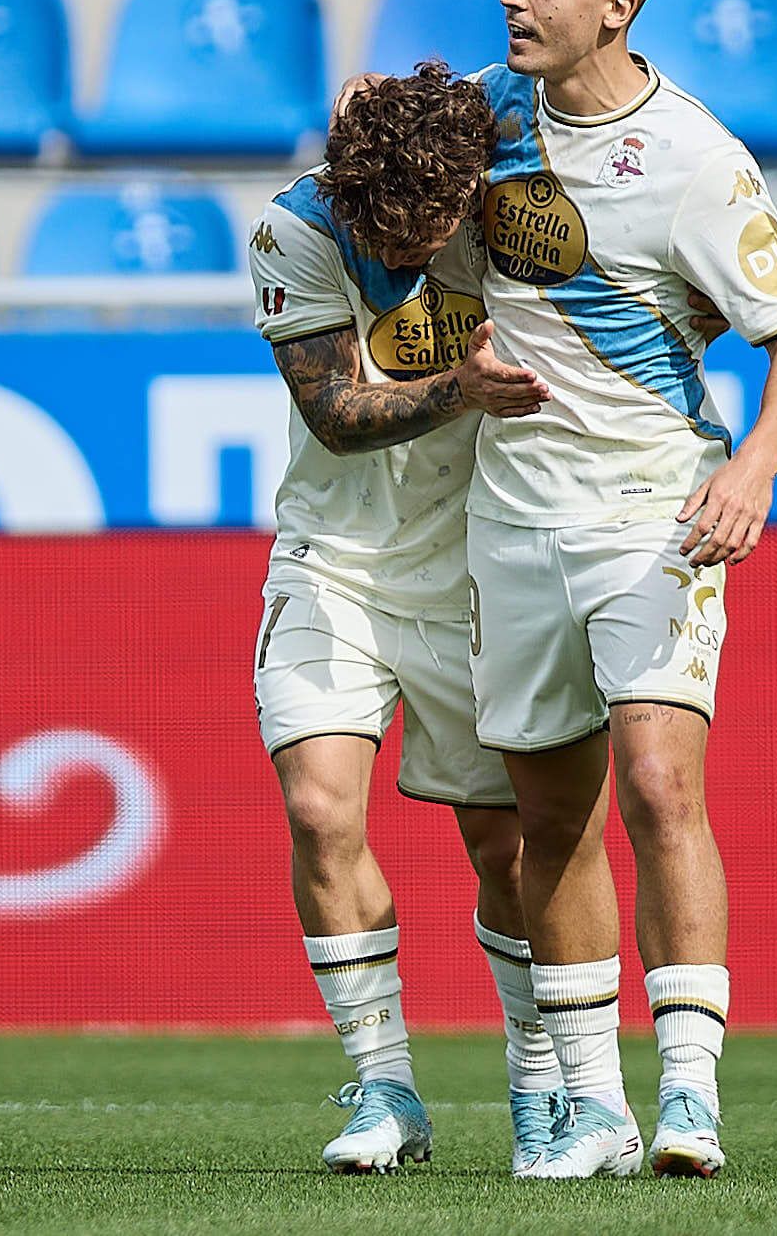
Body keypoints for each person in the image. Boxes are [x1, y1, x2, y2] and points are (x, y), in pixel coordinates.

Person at [464, 0, 777, 1179]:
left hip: (649, 513)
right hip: (507, 517)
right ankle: (590, 1106)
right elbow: (379, 227)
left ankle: (687, 1095)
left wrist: (757, 473)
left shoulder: (691, 156)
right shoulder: (479, 120)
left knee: (660, 786)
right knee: (543, 819)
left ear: (616, 5)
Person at [249, 63, 564, 1176]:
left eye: (427, 225)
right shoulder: (292, 228)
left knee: (506, 842)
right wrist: (459, 393)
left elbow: (553, 63)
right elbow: (334, 415)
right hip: (334, 557)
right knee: (318, 807)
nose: (403, 249)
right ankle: (383, 1088)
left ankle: (541, 1086)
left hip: (479, 563)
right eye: (381, 227)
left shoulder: (503, 187)